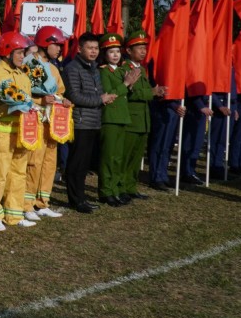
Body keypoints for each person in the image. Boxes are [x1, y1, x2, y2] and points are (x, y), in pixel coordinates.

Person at [0, 31, 38, 231]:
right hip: (0, 132)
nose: (23, 56)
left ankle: (14, 213)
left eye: (23, 53)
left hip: (20, 133)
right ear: (8, 52)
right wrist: (4, 109)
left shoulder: (23, 76)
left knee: (18, 174)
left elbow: (27, 101)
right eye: (19, 52)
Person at [62, 32, 115, 213]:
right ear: (79, 48)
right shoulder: (73, 68)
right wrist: (100, 99)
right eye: (90, 48)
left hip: (93, 121)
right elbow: (75, 96)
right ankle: (76, 200)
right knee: (77, 163)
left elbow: (96, 92)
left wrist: (102, 98)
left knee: (84, 164)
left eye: (96, 48)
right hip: (81, 121)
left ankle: (81, 197)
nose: (93, 51)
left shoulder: (93, 67)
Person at [22, 26, 70, 221]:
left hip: (52, 120)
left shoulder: (53, 67)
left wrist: (61, 100)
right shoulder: (29, 64)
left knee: (50, 162)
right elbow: (23, 94)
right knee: (34, 162)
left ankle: (43, 202)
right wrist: (40, 101)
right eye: (56, 44)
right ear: (44, 43)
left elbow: (59, 90)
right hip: (35, 120)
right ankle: (27, 204)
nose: (59, 48)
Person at [121, 31, 164, 197]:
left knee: (136, 157)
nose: (143, 51)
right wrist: (152, 92)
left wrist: (157, 92)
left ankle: (131, 187)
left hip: (143, 120)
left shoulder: (142, 69)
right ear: (129, 51)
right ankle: (121, 187)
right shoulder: (125, 68)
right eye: (139, 48)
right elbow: (130, 94)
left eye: (144, 48)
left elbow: (145, 92)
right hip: (131, 120)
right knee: (126, 157)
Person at [98, 32, 138, 206]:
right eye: (111, 51)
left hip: (122, 117)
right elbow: (110, 93)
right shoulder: (104, 72)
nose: (115, 55)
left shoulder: (123, 71)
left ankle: (115, 189)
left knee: (118, 157)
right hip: (110, 117)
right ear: (105, 54)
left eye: (117, 51)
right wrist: (126, 84)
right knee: (108, 156)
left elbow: (127, 92)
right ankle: (106, 191)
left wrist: (130, 85)